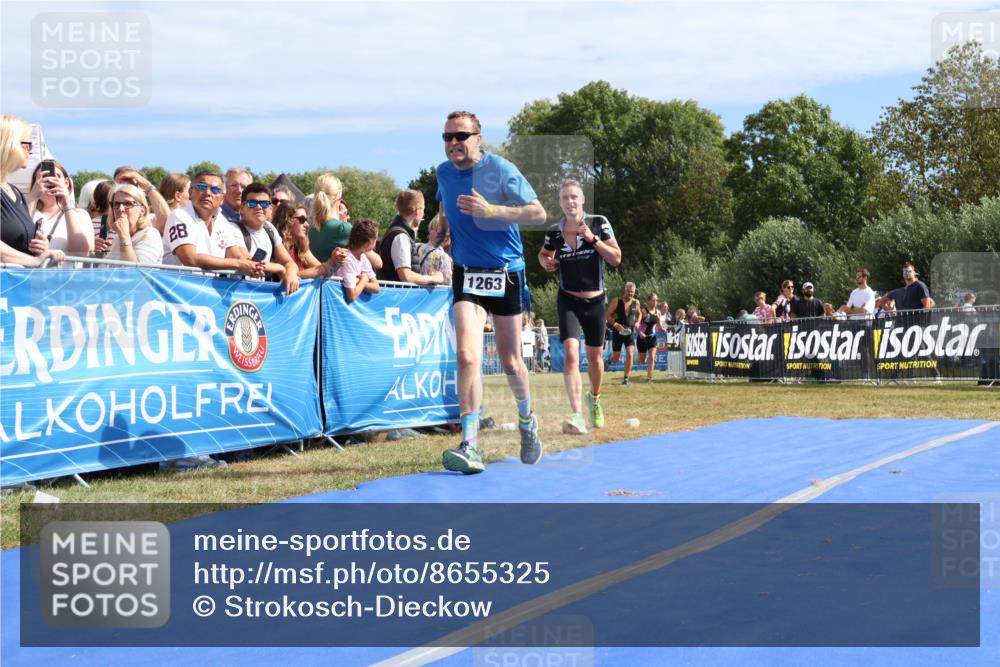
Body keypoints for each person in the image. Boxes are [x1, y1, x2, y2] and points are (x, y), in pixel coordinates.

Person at [435, 110, 547, 474]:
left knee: (511, 360)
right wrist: (441, 226)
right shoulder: (443, 173)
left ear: (478, 138)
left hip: (505, 273)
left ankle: (528, 422)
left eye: (461, 136)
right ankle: (470, 444)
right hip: (467, 272)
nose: (454, 143)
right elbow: (445, 202)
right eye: (448, 137)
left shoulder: (501, 170)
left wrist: (491, 210)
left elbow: (538, 214)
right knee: (467, 356)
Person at [540, 179, 621, 431]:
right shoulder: (554, 231)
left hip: (595, 301)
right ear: (560, 202)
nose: (570, 202)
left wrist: (593, 239)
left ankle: (594, 399)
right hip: (568, 299)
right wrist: (546, 262)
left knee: (596, 359)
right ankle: (576, 414)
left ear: (583, 199)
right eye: (565, 198)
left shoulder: (599, 223)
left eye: (574, 197)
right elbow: (543, 254)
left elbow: (616, 258)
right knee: (571, 355)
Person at [161, 170, 264, 278]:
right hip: (176, 291)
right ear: (191, 192)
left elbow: (237, 256)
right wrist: (239, 264)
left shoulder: (222, 221)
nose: (207, 193)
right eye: (201, 187)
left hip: (208, 291)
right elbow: (190, 259)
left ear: (222, 199)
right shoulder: (179, 216)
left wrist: (254, 267)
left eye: (215, 189)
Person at [0, 114, 64, 266]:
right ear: (9, 145)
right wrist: (33, 260)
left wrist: (39, 250)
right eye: (27, 144)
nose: (30, 151)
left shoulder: (14, 192)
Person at [228, 183, 300, 295]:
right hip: (236, 294)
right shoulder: (233, 229)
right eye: (252, 203)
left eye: (264, 204)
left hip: (259, 296)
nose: (259, 207)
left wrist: (290, 272)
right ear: (242, 208)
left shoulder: (269, 228)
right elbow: (249, 264)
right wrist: (281, 268)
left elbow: (289, 262)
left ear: (270, 208)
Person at [28, 159, 94, 257]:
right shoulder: (27, 211)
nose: (50, 181)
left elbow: (82, 252)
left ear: (66, 182)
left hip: (66, 272)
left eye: (56, 176)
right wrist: (33, 197)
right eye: (42, 176)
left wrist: (67, 204)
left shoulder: (80, 215)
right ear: (34, 183)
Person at [378, 189, 445, 285]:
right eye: (423, 209)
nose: (424, 214)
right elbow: (406, 276)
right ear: (418, 211)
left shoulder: (396, 232)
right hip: (398, 297)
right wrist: (434, 278)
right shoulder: (401, 237)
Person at [273, 201, 344, 278]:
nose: (307, 225)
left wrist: (334, 260)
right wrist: (328, 264)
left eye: (306, 220)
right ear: (287, 220)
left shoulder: (300, 247)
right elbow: (292, 277)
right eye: (302, 219)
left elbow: (324, 270)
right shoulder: (276, 246)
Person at [103, 183, 164, 264]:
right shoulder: (117, 239)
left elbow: (136, 273)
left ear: (142, 211)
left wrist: (124, 236)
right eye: (116, 204)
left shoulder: (150, 234)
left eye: (128, 204)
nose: (120, 209)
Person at [308, 172, 352, 265]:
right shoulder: (343, 228)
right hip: (335, 279)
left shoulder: (312, 230)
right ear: (339, 196)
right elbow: (378, 263)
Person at [113, 166, 170, 232]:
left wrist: (148, 187)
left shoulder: (150, 221)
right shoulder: (105, 223)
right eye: (119, 186)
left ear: (144, 192)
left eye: (130, 186)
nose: (125, 190)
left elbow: (168, 223)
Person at [337, 218, 380, 303]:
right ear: (368, 243)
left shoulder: (363, 258)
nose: (376, 241)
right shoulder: (347, 259)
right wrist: (364, 280)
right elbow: (351, 296)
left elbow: (376, 287)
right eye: (375, 239)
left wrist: (358, 281)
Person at [606, 282, 640, 385]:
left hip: (630, 332)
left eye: (632, 292)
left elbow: (640, 314)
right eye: (628, 291)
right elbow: (608, 315)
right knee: (616, 357)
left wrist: (638, 322)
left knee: (630, 354)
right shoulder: (617, 301)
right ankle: (608, 361)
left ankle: (626, 378)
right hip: (618, 332)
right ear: (625, 290)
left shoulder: (636, 302)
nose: (630, 294)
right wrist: (616, 325)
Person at [415, 211, 453, 282]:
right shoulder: (443, 257)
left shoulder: (416, 247)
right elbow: (448, 283)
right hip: (431, 292)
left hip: (412, 290)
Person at [636, 293, 662, 384]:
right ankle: (639, 357)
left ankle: (649, 378)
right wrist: (640, 332)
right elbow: (636, 325)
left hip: (652, 337)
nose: (655, 302)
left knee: (651, 357)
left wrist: (663, 329)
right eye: (653, 300)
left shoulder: (658, 312)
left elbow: (659, 325)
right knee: (642, 361)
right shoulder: (643, 311)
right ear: (648, 301)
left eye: (656, 300)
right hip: (642, 338)